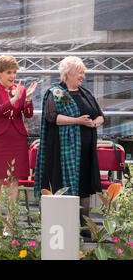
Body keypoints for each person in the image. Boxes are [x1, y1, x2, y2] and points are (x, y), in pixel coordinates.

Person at [34, 56, 104, 238]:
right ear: (68, 74)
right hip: (62, 152)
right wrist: (78, 121)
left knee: (84, 185)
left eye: (83, 72)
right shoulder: (56, 93)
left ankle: (84, 226)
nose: (83, 75)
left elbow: (100, 116)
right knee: (62, 185)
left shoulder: (85, 93)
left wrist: (94, 124)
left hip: (86, 152)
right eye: (79, 72)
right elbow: (52, 117)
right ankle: (63, 225)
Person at [0, 55, 37, 234]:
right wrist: (12, 102)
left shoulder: (20, 90)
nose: (12, 76)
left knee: (14, 181)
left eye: (14, 72)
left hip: (17, 137)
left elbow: (28, 114)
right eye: (8, 72)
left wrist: (27, 99)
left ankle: (10, 224)